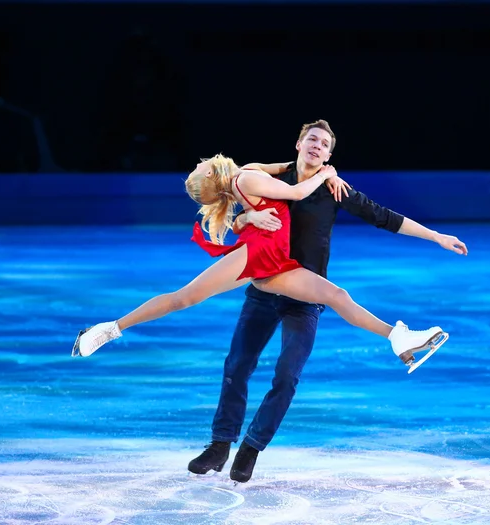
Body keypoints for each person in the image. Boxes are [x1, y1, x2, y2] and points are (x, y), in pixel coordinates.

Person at [72, 143, 454, 464]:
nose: (202, 161)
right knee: (187, 299)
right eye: (200, 166)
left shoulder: (254, 170)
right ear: (209, 173)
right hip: (257, 257)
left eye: (323, 145)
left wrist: (315, 177)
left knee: (336, 296)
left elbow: (296, 175)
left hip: (280, 266)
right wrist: (326, 174)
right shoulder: (249, 176)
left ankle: (399, 338)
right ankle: (111, 328)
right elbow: (297, 192)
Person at [186, 119, 468, 484]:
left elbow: (384, 217)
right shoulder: (275, 179)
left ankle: (251, 447)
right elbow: (234, 195)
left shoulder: (335, 189)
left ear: (329, 155)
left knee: (287, 376)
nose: (317, 146)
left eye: (324, 144)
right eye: (311, 140)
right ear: (299, 144)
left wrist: (435, 236)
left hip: (306, 295)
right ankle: (220, 445)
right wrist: (245, 218)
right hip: (265, 287)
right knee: (237, 365)